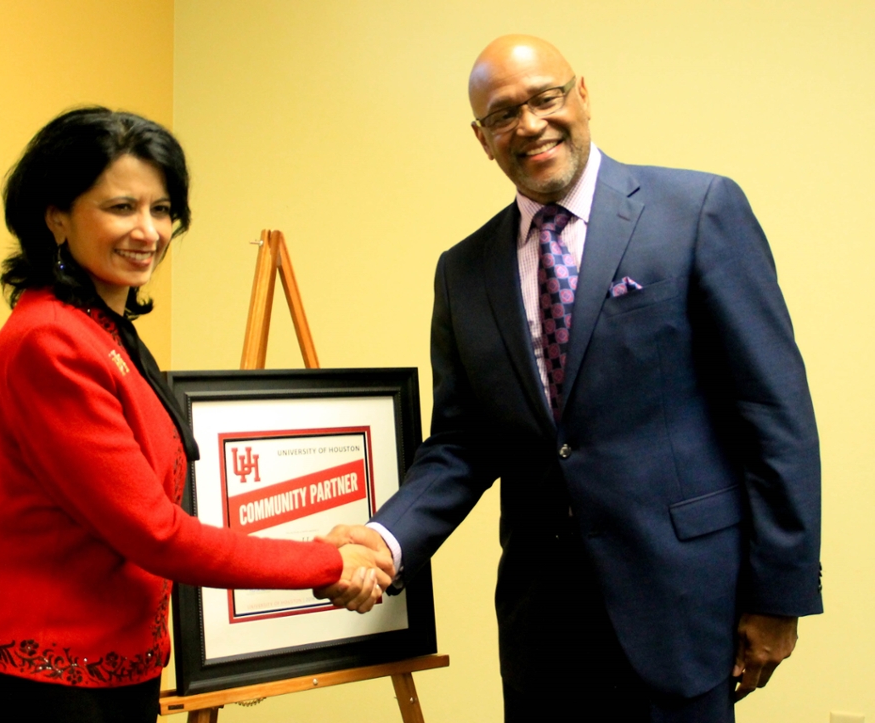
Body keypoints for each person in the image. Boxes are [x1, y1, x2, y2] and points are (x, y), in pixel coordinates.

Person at [321, 35, 822, 722]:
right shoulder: (464, 270)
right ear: (482, 137)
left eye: (544, 99)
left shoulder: (697, 212)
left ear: (581, 95)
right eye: (503, 114)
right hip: (543, 633)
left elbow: (774, 411)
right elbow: (463, 442)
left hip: (683, 613)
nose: (528, 124)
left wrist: (780, 594)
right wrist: (386, 537)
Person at [0, 107, 392, 723]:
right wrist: (330, 561)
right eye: (121, 207)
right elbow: (155, 533)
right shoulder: (50, 340)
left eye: (162, 210)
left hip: (117, 675)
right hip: (38, 687)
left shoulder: (105, 332)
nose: (148, 231)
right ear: (57, 217)